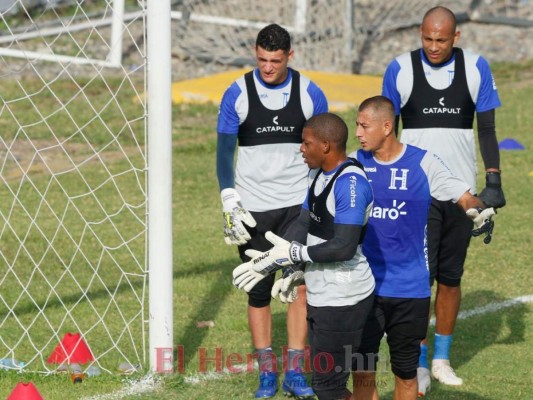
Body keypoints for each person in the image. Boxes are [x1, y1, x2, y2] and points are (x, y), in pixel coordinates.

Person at [381, 6, 506, 395]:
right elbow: (386, 132)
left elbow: (486, 128)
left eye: (441, 40)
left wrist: (494, 181)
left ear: (456, 37)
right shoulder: (399, 69)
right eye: (427, 38)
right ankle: (417, 365)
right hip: (416, 193)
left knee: (451, 278)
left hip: (461, 193)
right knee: (421, 280)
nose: (433, 47)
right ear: (420, 33)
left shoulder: (476, 67)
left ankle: (441, 359)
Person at [348, 96, 495, 400]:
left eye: (364, 125)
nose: (359, 132)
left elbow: (463, 196)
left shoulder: (423, 162)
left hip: (410, 290)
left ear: (387, 126)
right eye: (357, 125)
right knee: (362, 373)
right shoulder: (353, 163)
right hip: (363, 288)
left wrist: (478, 209)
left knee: (406, 375)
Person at [216, 23, 328, 398]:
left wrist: (320, 199)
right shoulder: (237, 94)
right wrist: (228, 195)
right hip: (253, 212)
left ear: (290, 57)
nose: (267, 67)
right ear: (255, 52)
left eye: (275, 61)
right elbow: (223, 152)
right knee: (258, 290)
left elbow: (326, 153)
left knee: (299, 287)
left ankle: (295, 372)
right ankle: (267, 373)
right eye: (262, 59)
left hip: (298, 207)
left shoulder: (310, 94)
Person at [232, 112, 376, 400]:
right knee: (350, 380)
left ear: (325, 145)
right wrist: (276, 258)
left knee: (329, 388)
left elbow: (344, 246)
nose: (300, 148)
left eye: (305, 142)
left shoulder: (349, 185)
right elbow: (303, 221)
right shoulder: (318, 174)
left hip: (344, 299)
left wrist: (294, 253)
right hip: (324, 295)